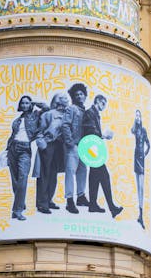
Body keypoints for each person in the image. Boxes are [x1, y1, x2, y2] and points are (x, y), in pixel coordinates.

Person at [6, 95, 46, 220]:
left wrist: (35, 102)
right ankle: (20, 204)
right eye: (22, 103)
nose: (24, 105)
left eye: (27, 103)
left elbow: (47, 108)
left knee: (22, 178)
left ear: (30, 104)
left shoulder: (35, 115)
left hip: (25, 149)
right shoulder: (17, 120)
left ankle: (17, 210)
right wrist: (6, 151)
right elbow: (13, 135)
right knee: (15, 180)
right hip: (12, 148)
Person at [83, 95, 122, 218]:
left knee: (94, 177)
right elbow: (89, 130)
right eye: (103, 104)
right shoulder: (90, 112)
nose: (104, 107)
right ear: (99, 101)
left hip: (92, 147)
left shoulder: (93, 113)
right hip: (91, 148)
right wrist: (103, 135)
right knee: (104, 175)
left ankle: (93, 205)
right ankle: (112, 207)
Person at [34, 93, 71, 214]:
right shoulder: (48, 114)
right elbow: (40, 131)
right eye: (64, 98)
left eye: (67, 98)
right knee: (44, 173)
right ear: (58, 101)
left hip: (60, 146)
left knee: (53, 174)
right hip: (48, 144)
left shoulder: (68, 115)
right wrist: (41, 142)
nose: (66, 99)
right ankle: (42, 203)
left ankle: (49, 200)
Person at [64, 83, 92, 212]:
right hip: (73, 145)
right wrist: (70, 142)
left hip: (83, 146)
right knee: (70, 171)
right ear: (73, 97)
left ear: (85, 96)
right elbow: (65, 125)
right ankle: (69, 200)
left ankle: (81, 197)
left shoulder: (86, 111)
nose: (79, 96)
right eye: (77, 94)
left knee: (83, 170)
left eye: (81, 94)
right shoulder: (71, 109)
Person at [131, 109, 151, 228]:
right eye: (136, 115)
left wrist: (145, 153)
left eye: (139, 115)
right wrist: (135, 121)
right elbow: (132, 130)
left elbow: (148, 144)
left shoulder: (143, 130)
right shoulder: (135, 129)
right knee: (137, 186)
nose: (137, 117)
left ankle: (141, 214)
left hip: (141, 157)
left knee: (142, 187)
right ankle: (139, 214)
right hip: (135, 156)